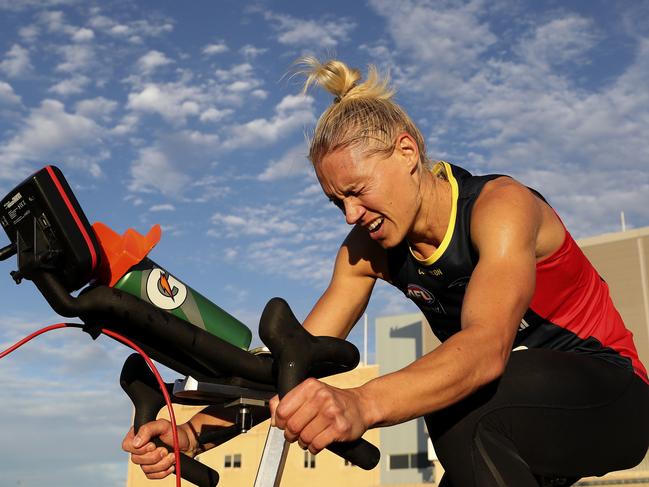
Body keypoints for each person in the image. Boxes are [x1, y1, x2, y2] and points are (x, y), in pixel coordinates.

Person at [122, 57, 649, 486]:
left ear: (406, 152)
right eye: (336, 202)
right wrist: (191, 433)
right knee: (468, 431)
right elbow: (294, 365)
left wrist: (359, 404)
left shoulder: (501, 207)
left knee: (463, 415)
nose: (350, 215)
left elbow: (486, 348)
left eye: (357, 191)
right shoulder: (365, 252)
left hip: (613, 392)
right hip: (514, 411)